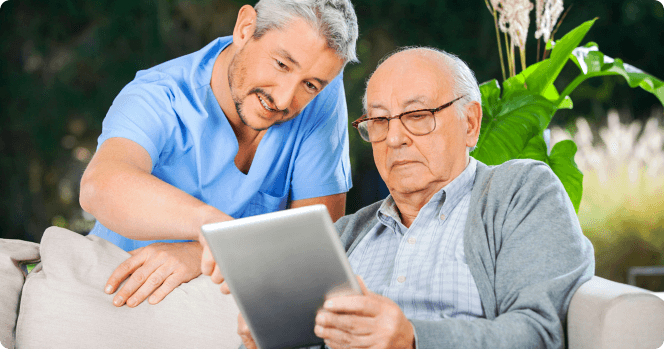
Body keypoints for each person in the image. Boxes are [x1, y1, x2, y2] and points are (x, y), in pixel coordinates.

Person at [201, 47, 595, 349]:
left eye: (418, 115)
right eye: (379, 120)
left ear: (471, 123)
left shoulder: (518, 194)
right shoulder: (346, 234)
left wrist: (411, 338)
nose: (394, 137)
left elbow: (540, 333)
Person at [78, 0, 359, 309]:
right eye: (281, 64)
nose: (283, 99)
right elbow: (99, 186)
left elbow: (320, 248)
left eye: (309, 84)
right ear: (245, 28)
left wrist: (204, 254)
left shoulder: (320, 94)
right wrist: (214, 228)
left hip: (231, 312)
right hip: (123, 295)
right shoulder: (159, 95)